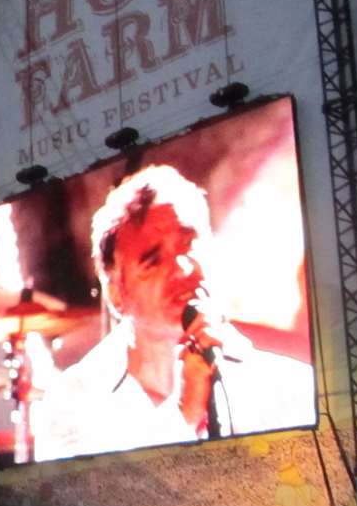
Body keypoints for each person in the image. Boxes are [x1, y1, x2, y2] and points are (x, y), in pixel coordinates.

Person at [32, 165, 315, 461]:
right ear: (117, 293)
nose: (183, 268)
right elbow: (91, 500)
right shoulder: (72, 404)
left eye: (190, 244)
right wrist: (184, 412)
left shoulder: (291, 388)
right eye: (153, 261)